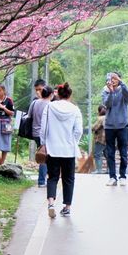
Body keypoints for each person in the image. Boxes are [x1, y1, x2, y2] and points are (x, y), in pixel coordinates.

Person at [43, 83, 84, 217]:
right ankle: (67, 207)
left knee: (52, 177)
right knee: (68, 178)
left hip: (52, 148)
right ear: (70, 95)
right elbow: (78, 130)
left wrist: (44, 143)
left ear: (58, 94)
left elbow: (43, 128)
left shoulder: (49, 107)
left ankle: (51, 203)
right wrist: (74, 142)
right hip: (69, 149)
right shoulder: (75, 109)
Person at [102, 71, 128, 186]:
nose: (113, 80)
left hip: (122, 125)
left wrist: (121, 83)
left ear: (119, 79)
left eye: (115, 78)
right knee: (110, 153)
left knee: (123, 152)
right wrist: (110, 92)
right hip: (109, 126)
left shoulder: (123, 90)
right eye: (111, 78)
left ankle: (123, 176)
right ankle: (112, 177)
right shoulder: (105, 90)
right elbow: (107, 104)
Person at [28, 80, 50, 187]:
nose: (38, 92)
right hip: (45, 134)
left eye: (40, 89)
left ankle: (45, 178)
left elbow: (29, 116)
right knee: (44, 156)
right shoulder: (50, 104)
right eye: (36, 90)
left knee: (44, 156)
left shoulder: (34, 103)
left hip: (36, 133)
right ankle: (42, 181)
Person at [92, 105, 107, 173]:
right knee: (108, 155)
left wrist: (93, 128)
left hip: (100, 139)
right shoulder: (109, 118)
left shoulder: (100, 118)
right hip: (108, 139)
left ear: (99, 111)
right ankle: (109, 170)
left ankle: (99, 170)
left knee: (97, 154)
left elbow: (94, 127)